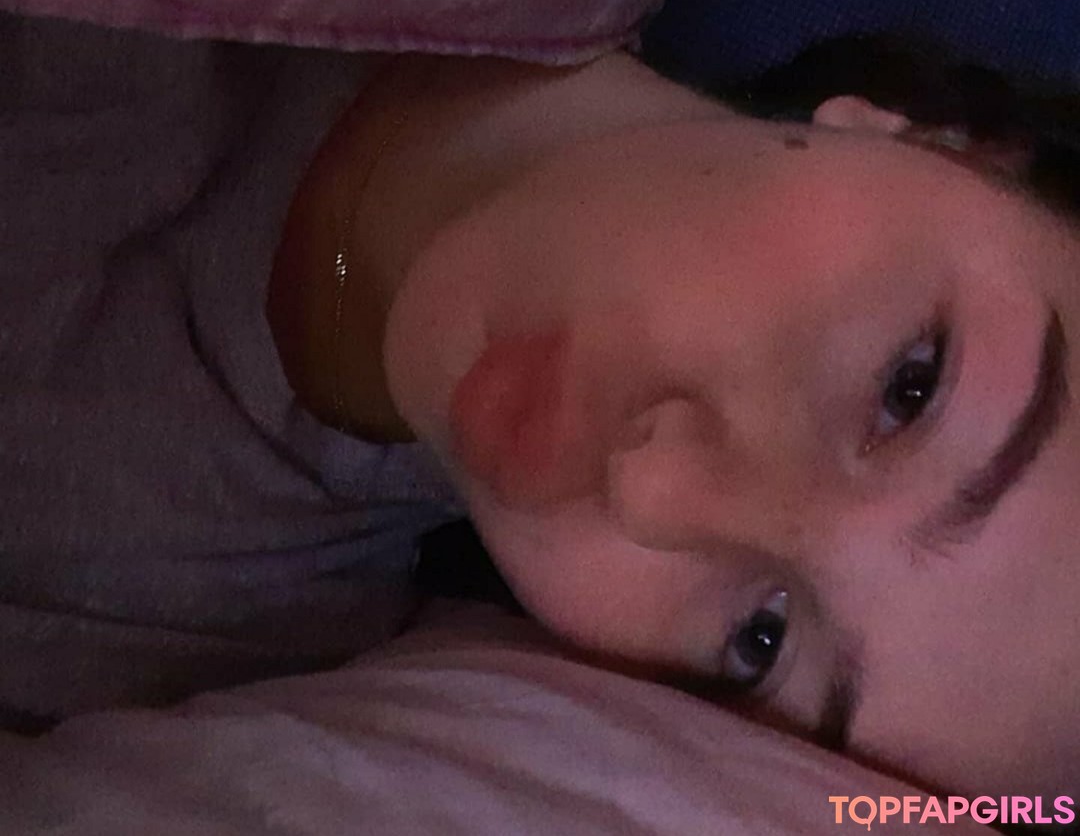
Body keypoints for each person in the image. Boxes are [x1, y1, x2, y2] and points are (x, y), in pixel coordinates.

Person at [268, 41, 1080, 805]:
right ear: (947, 142)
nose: (652, 489)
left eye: (759, 642)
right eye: (909, 388)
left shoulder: (253, 623)